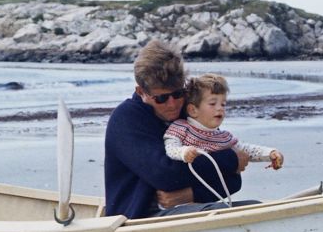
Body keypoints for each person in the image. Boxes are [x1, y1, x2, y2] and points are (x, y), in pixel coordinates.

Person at [104, 40, 252, 218]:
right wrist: (230, 159)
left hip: (186, 208)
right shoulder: (126, 119)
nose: (172, 104)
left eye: (178, 94)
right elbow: (165, 175)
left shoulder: (189, 110)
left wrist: (191, 194)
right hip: (138, 216)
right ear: (141, 91)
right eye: (161, 98)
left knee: (254, 207)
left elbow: (233, 180)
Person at [164, 74, 284, 173]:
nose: (220, 108)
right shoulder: (181, 128)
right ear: (193, 110)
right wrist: (183, 152)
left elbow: (245, 150)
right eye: (212, 104)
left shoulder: (222, 137)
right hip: (186, 189)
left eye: (223, 104)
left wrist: (269, 153)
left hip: (213, 191)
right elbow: (170, 147)